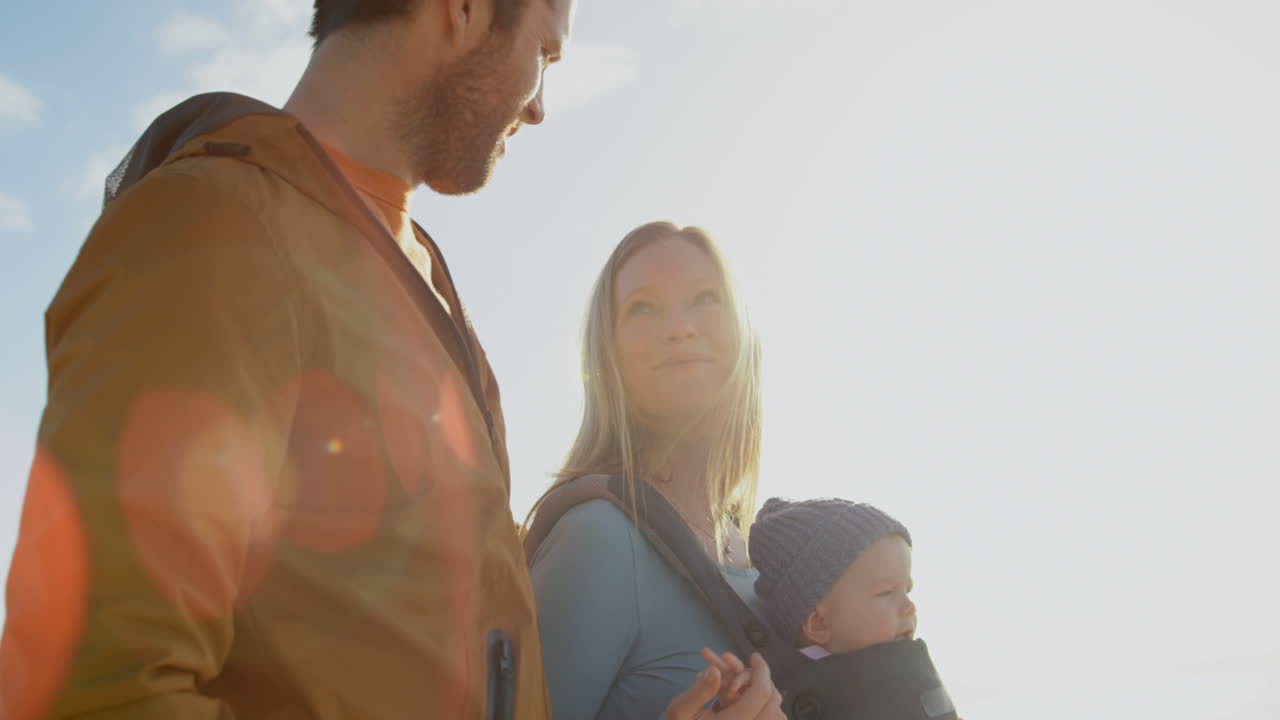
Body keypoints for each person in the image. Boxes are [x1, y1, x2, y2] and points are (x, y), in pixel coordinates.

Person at [0, 1, 576, 717]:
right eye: (545, 55)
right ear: (461, 11)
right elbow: (99, 690)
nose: (543, 106)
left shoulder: (425, 274)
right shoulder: (211, 227)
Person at [526, 221, 784, 720]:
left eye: (706, 298)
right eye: (642, 307)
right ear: (609, 355)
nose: (678, 327)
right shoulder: (598, 540)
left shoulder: (764, 554)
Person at [749, 498, 916, 659]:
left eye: (907, 590)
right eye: (886, 592)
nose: (910, 607)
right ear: (819, 623)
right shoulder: (806, 686)